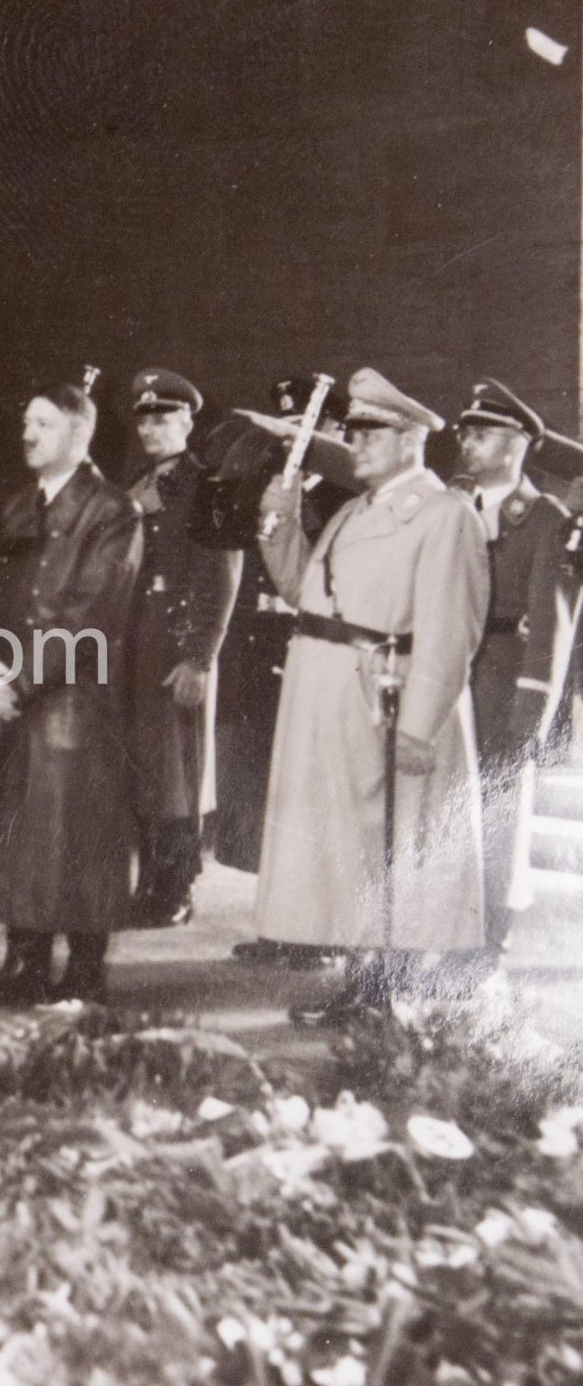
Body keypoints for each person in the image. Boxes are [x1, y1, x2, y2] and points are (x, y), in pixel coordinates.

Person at [254, 367, 489, 1025]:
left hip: (385, 696)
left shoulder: (444, 514)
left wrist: (419, 725)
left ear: (413, 436)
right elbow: (309, 592)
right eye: (353, 431)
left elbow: (450, 628)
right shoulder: (358, 510)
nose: (357, 443)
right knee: (348, 841)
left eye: (372, 432)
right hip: (327, 690)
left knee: (396, 839)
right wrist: (279, 522)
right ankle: (362, 978)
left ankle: (389, 988)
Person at [0, 375, 143, 1006]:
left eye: (43, 424)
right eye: (26, 423)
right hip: (14, 694)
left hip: (77, 699)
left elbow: (91, 613)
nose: (27, 434)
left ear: (80, 432)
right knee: (18, 829)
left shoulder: (113, 511)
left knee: (77, 832)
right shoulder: (17, 506)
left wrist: (20, 680)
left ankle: (85, 975)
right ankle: (24, 966)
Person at [200, 376, 354, 877]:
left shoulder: (342, 498)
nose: (292, 443)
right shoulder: (257, 486)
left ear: (333, 432)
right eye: (286, 431)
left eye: (305, 431)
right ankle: (257, 879)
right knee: (248, 765)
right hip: (251, 642)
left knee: (302, 779)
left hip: (304, 642)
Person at [449, 379, 576, 959]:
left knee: (499, 808)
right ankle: (448, 918)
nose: (467, 444)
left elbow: (551, 626)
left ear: (518, 443)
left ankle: (490, 931)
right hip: (451, 679)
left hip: (504, 681)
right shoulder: (455, 507)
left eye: (482, 434)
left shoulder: (545, 518)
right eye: (465, 434)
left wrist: (534, 705)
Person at [121, 369, 241, 928]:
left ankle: (174, 888)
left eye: (163, 418)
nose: (151, 428)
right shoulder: (136, 486)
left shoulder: (213, 488)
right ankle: (149, 881)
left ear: (189, 422)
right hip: (133, 641)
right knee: (145, 767)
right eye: (143, 418)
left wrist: (199, 657)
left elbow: (221, 578)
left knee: (177, 770)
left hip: (178, 642)